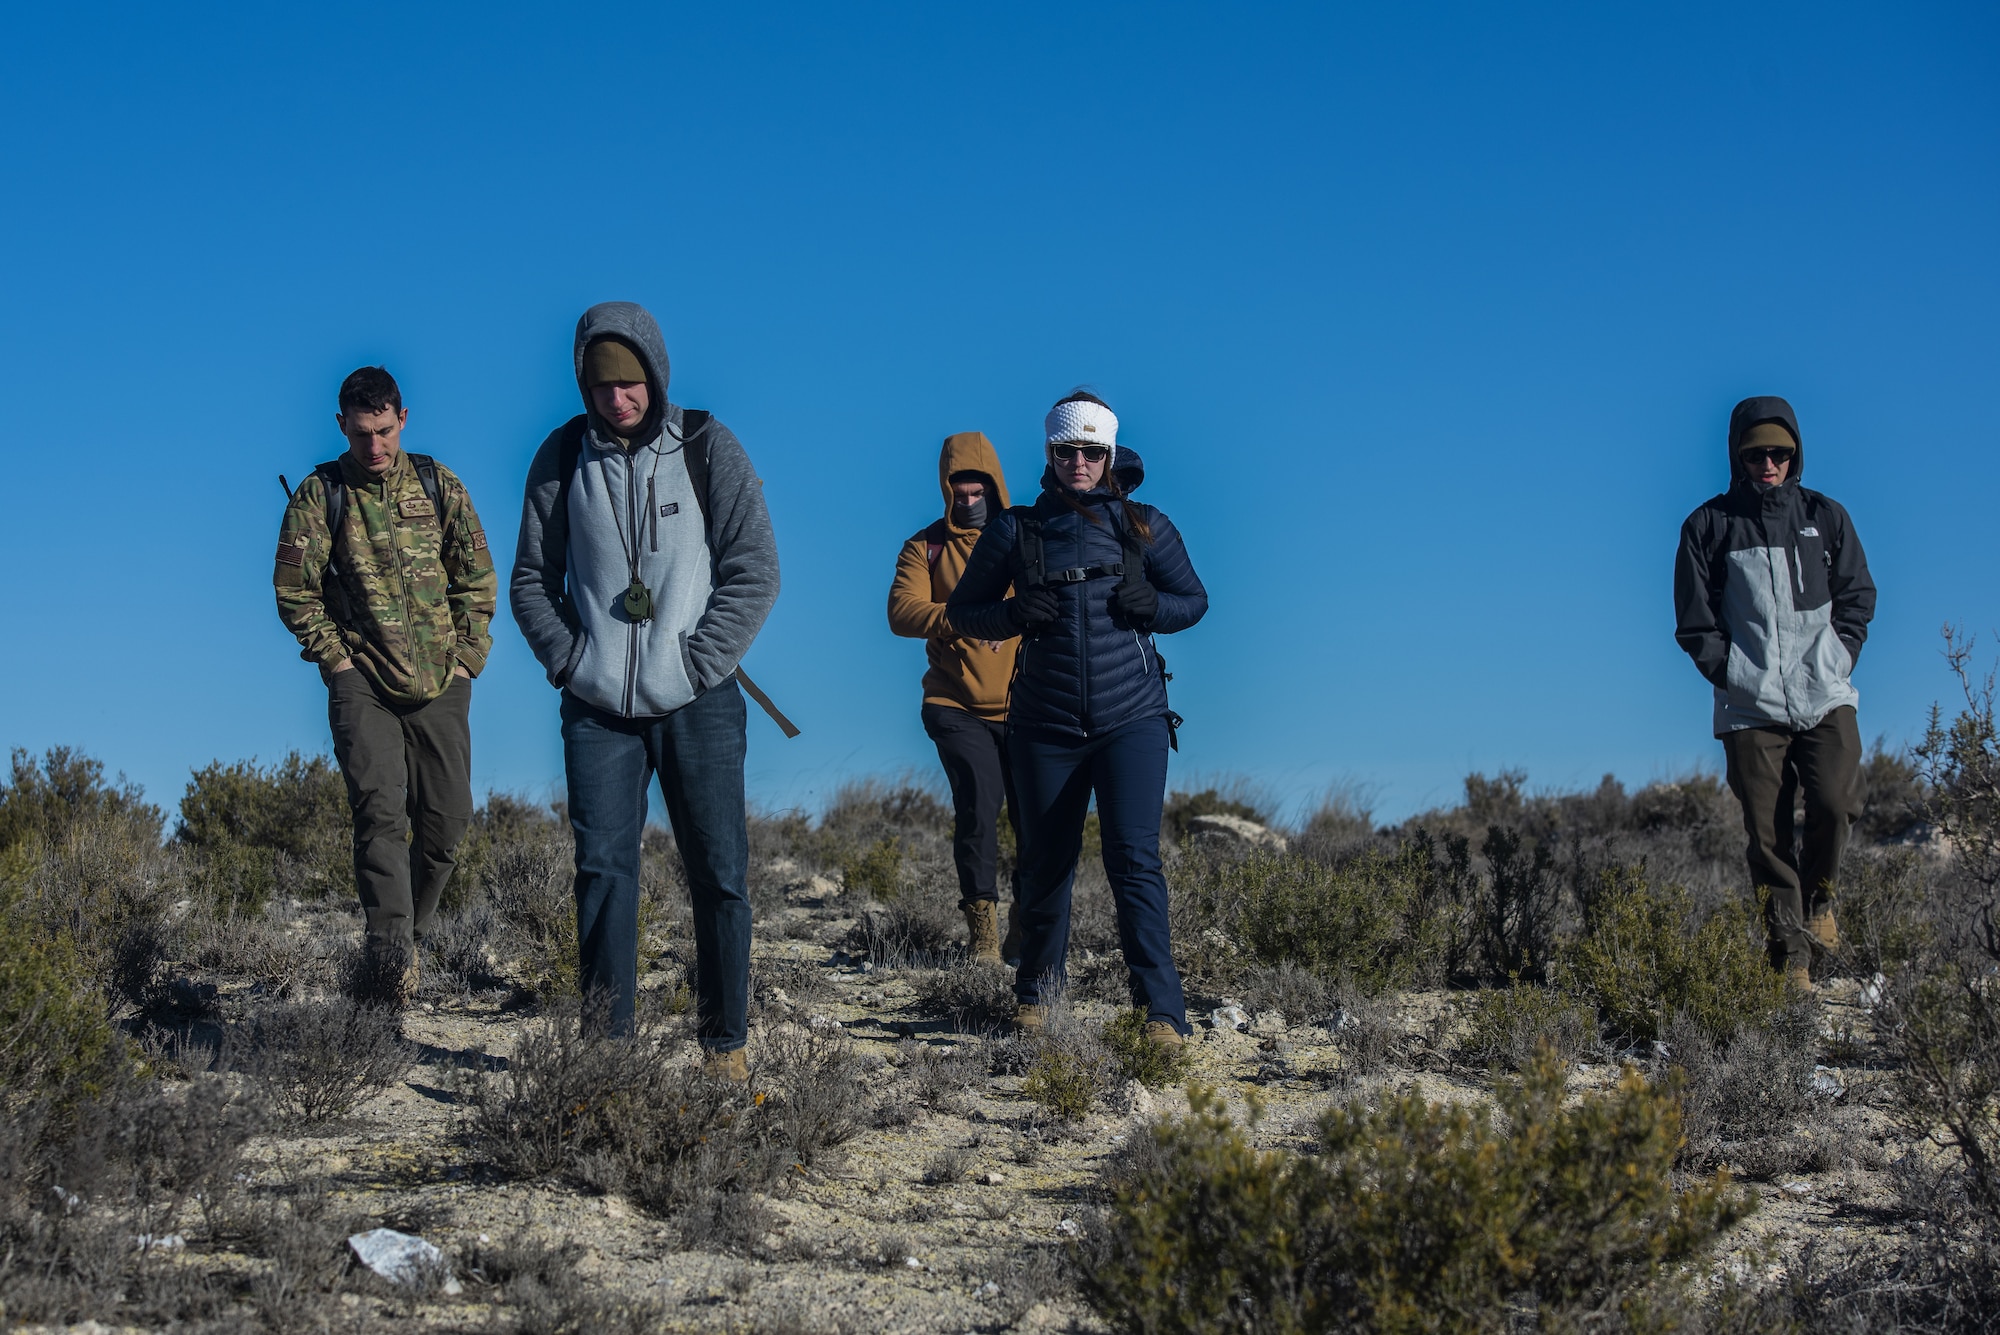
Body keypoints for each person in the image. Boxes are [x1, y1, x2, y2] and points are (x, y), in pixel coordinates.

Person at [510, 302, 778, 1078]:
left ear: (656, 375)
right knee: (602, 874)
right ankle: (605, 1055)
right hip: (596, 707)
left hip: (700, 699)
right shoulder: (561, 456)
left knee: (720, 873)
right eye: (602, 385)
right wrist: (569, 660)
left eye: (630, 383)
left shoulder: (707, 445)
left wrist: (700, 661)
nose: (617, 399)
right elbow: (532, 577)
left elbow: (756, 569)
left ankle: (725, 1045)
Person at [947, 391, 1207, 1052]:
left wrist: (1152, 606)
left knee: (1133, 861)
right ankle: (1037, 998)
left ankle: (1163, 1015)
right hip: (1045, 722)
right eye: (1068, 451)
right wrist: (1011, 615)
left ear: (1110, 454)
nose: (1080, 462)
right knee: (1045, 863)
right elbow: (962, 612)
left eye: (1093, 451)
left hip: (1134, 716)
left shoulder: (1147, 525)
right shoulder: (1015, 530)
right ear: (1050, 454)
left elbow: (1195, 600)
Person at [274, 365, 496, 1002]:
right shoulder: (321, 494)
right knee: (379, 813)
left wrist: (466, 659)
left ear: (404, 419)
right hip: (361, 680)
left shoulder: (436, 482)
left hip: (441, 679)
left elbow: (476, 576)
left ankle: (411, 935)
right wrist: (336, 661)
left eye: (384, 430)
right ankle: (390, 959)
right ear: (342, 425)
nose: (375, 446)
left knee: (448, 822)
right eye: (361, 432)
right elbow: (294, 590)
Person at [1674, 395, 1876, 989]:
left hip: (1824, 693)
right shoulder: (1707, 526)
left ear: (1796, 455)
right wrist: (1733, 672)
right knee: (1767, 834)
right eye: (1757, 453)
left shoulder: (1826, 517)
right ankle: (1790, 960)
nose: (1769, 464)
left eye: (1780, 453)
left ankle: (1820, 904)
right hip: (1748, 704)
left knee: (1837, 802)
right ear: (1738, 455)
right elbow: (1694, 621)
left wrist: (1836, 656)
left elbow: (1857, 595)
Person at [888, 433, 1023, 965]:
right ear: (946, 492)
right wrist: (964, 616)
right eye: (958, 493)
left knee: (1038, 820)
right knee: (978, 806)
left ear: (995, 488)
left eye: (977, 492)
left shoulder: (1023, 539)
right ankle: (983, 938)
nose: (968, 503)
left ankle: (1025, 922)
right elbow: (902, 612)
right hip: (953, 704)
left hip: (1026, 706)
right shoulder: (925, 547)